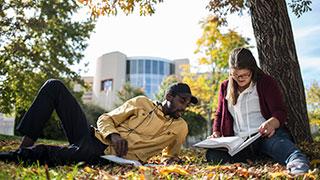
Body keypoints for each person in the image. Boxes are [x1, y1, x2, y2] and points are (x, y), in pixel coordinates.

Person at [0, 80, 198, 165]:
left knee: (51, 154)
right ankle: (25, 144)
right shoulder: (141, 102)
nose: (184, 108)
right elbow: (105, 118)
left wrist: (170, 160)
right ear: (169, 96)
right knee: (54, 86)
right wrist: (114, 135)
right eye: (182, 101)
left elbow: (170, 155)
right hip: (94, 137)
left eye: (187, 104)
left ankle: (14, 156)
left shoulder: (181, 127)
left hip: (105, 156)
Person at [205, 47, 309, 174]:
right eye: (235, 75)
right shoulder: (225, 86)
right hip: (240, 143)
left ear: (252, 70)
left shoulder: (265, 82)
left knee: (290, 152)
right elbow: (219, 114)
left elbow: (280, 111)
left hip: (265, 136)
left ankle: (298, 168)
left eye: (244, 75)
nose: (240, 79)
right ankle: (257, 158)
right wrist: (216, 132)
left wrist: (271, 123)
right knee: (212, 155)